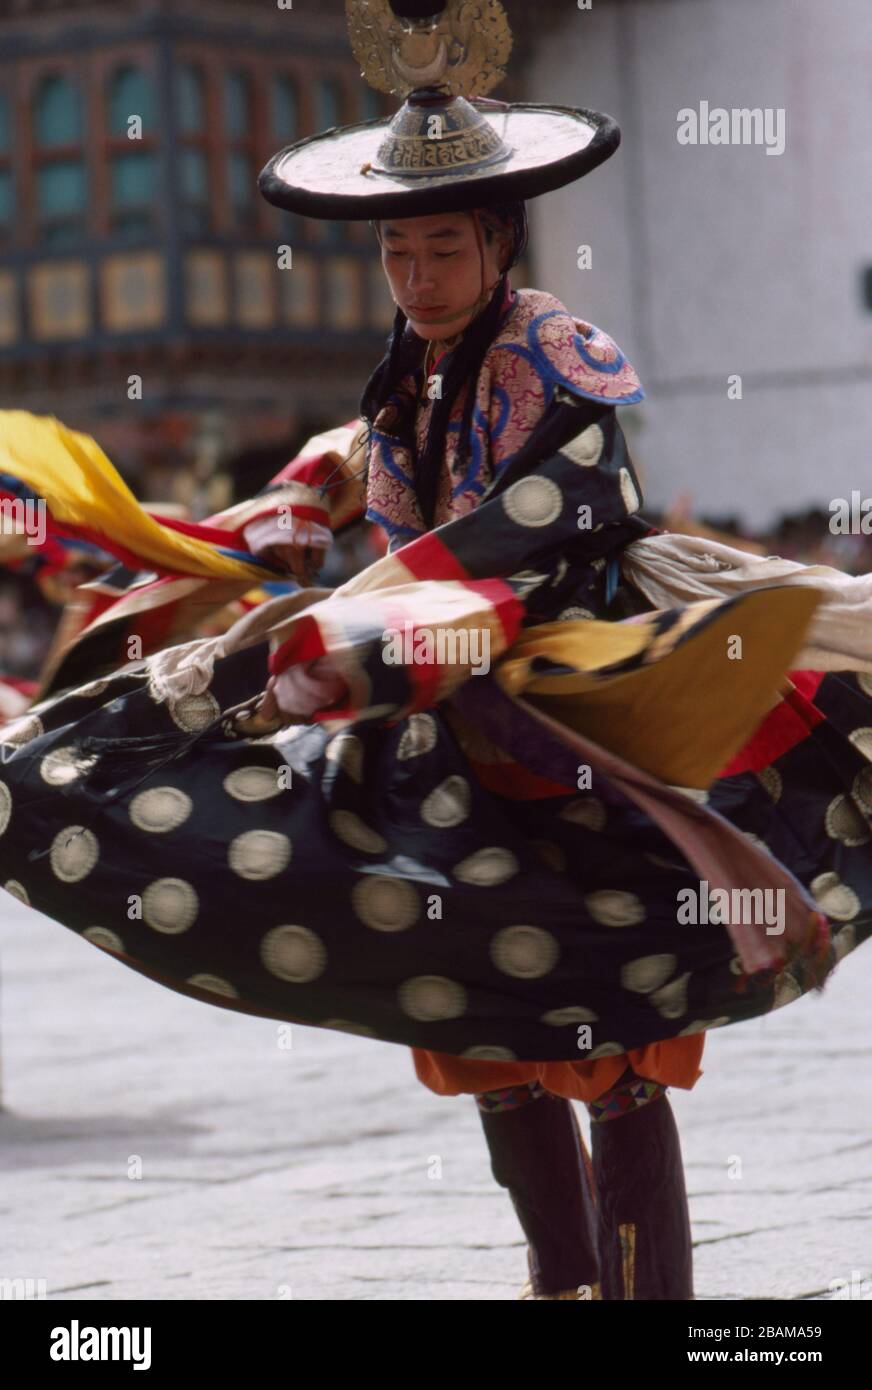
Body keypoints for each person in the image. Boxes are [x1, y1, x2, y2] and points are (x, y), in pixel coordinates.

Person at [0, 0, 868, 1302]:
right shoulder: (404, 364)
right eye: (397, 249)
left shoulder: (559, 356)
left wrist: (364, 626)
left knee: (609, 1032)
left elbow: (539, 521)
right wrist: (297, 509)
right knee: (475, 1018)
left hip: (561, 706)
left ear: (496, 239)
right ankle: (558, 1278)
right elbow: (367, 471)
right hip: (418, 710)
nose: (415, 274)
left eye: (439, 248)